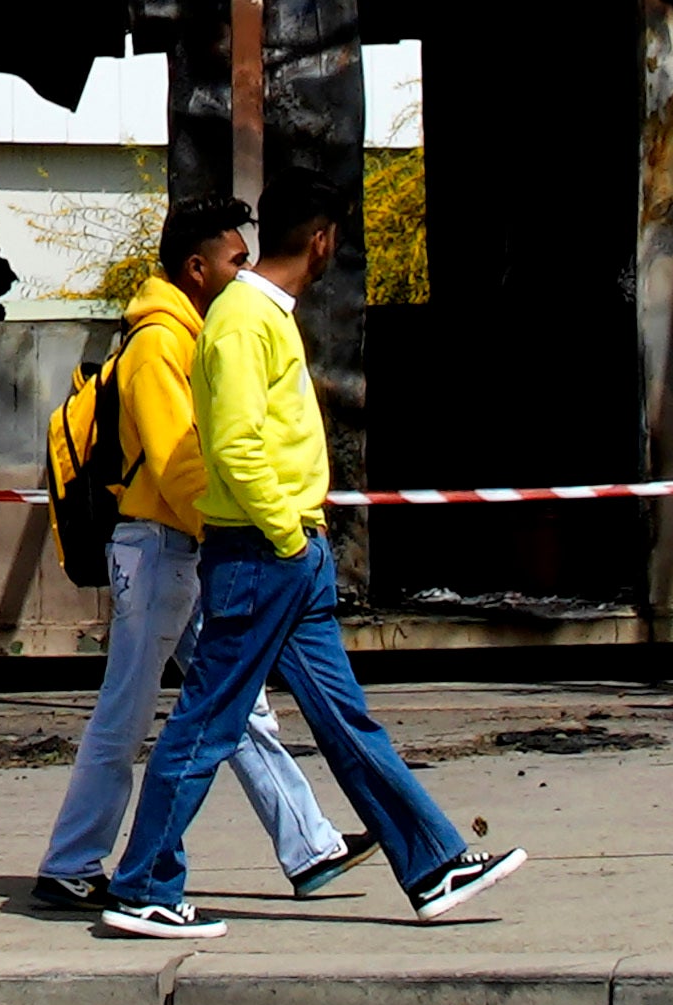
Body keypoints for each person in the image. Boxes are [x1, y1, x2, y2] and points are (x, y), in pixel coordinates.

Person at [93, 204, 526, 938]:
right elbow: (232, 445)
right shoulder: (239, 319)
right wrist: (286, 534)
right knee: (208, 719)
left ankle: (431, 863)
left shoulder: (258, 313)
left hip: (289, 551)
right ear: (321, 239)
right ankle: (141, 884)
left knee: (343, 719)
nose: (233, 268)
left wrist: (300, 539)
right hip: (265, 552)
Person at [27, 195, 371, 916]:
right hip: (159, 550)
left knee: (235, 703)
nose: (244, 268)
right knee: (131, 709)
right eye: (234, 259)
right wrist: (230, 534)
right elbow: (180, 459)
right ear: (196, 267)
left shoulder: (185, 330)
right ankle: (70, 861)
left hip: (177, 547)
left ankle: (310, 847)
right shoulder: (160, 342)